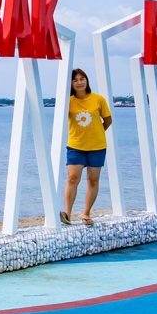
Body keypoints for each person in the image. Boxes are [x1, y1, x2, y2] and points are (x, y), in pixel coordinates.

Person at [62, 68, 111, 227]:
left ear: (87, 80)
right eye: (75, 80)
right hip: (76, 146)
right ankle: (68, 214)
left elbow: (108, 120)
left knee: (93, 179)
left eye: (82, 78)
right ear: (70, 83)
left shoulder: (99, 99)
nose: (79, 82)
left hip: (97, 146)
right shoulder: (68, 101)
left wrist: (97, 132)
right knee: (72, 178)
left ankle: (86, 213)